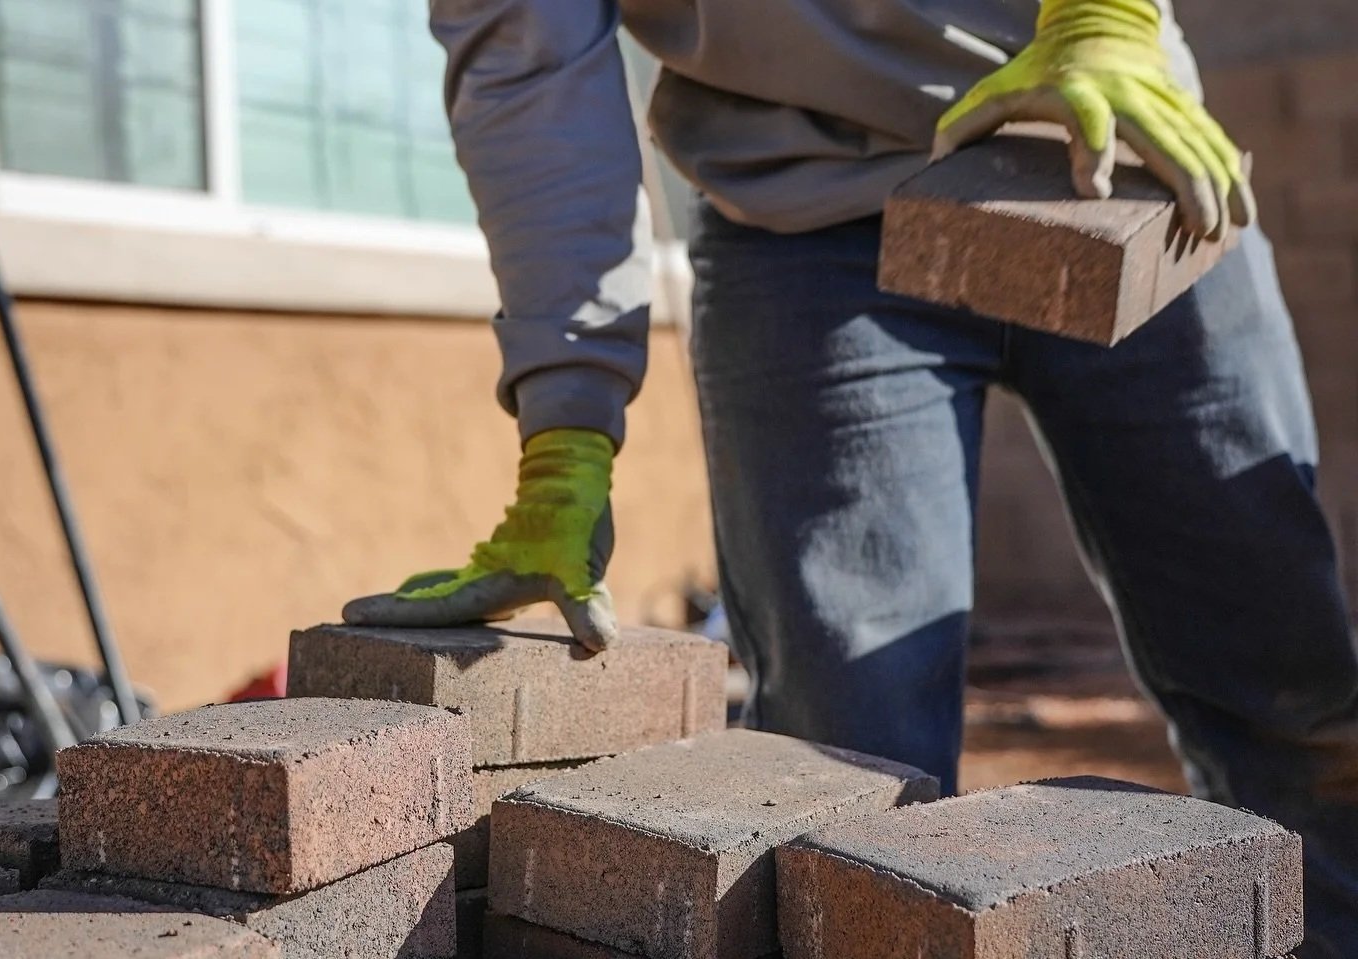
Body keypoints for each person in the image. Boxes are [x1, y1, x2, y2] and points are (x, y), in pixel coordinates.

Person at [342, 1, 1357, 953]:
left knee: (1287, 692)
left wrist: (1108, 18)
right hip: (806, 216)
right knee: (842, 761)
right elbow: (530, 77)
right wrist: (566, 434)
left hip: (1114, 138)